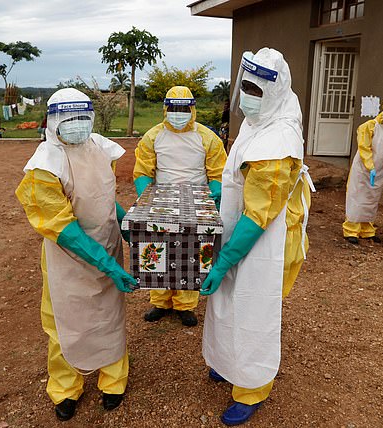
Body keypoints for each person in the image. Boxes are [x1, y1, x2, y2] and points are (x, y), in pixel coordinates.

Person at [200, 48, 314, 426]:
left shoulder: (278, 140)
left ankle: (251, 387)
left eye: (254, 88)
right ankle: (225, 362)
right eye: (243, 86)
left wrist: (225, 260)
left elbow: (259, 214)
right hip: (240, 231)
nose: (246, 95)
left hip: (265, 239)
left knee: (253, 308)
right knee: (227, 300)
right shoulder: (261, 115)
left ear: (274, 91)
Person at [15, 88, 136, 421]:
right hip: (68, 259)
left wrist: (127, 223)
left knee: (109, 317)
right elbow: (63, 227)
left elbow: (101, 197)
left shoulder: (98, 147)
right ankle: (66, 388)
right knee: (66, 323)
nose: (77, 125)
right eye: (69, 119)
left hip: (108, 246)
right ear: (53, 121)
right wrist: (106, 265)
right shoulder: (44, 166)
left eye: (83, 117)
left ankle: (113, 381)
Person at [133, 85, 227, 327]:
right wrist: (147, 199)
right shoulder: (153, 136)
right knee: (157, 249)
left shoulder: (207, 137)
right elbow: (143, 170)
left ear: (192, 109)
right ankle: (160, 302)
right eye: (173, 108)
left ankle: (186, 305)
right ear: (165, 109)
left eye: (184, 108)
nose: (178, 113)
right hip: (161, 202)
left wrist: (215, 191)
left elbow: (217, 172)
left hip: (196, 202)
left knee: (192, 251)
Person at [342, 99, 383, 244]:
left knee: (372, 199)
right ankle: (351, 229)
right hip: (362, 168)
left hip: (379, 169)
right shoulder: (369, 126)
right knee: (357, 197)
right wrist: (370, 167)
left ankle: (367, 230)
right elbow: (364, 147)